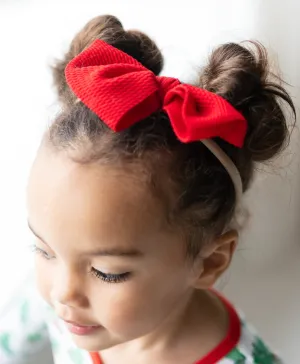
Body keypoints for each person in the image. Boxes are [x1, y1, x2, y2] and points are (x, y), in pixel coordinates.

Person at [0, 14, 295, 364]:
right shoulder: (64, 294)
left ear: (210, 261)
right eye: (44, 250)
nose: (62, 292)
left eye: (107, 272)